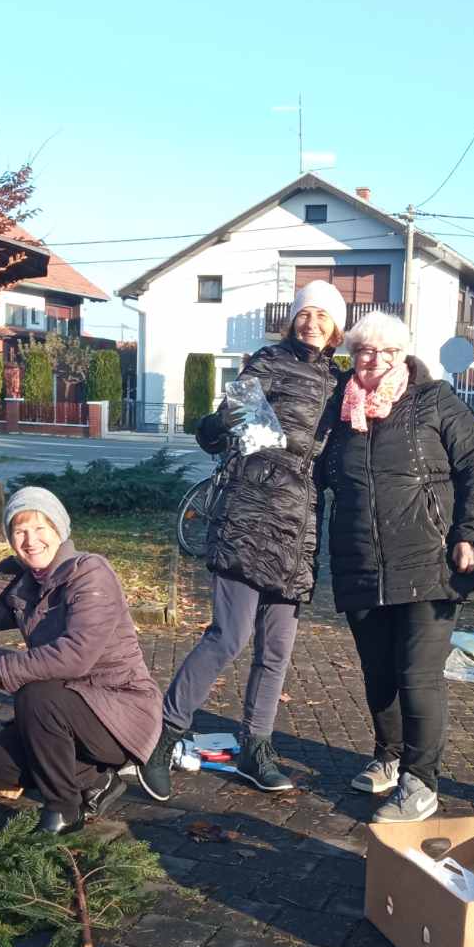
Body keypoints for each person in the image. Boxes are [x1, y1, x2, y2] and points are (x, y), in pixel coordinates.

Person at [136, 281, 345, 801]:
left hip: (301, 529)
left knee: (276, 649)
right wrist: (223, 424)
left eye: (323, 315)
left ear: (337, 326)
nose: (311, 322)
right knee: (229, 636)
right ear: (292, 320)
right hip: (251, 516)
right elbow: (225, 431)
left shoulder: (341, 384)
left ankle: (256, 746)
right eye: (304, 313)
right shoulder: (268, 363)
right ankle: (167, 732)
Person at [319, 312, 474, 822]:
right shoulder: (338, 407)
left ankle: (421, 782)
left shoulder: (435, 401)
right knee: (379, 673)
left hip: (429, 560)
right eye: (362, 352)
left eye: (385, 351)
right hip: (358, 560)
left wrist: (472, 534)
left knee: (418, 676)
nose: (373, 361)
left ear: (402, 354)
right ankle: (389, 758)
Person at [0, 487, 161, 833]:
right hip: (67, 705)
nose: (31, 540)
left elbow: (76, 656)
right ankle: (95, 783)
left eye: (40, 529)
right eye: (19, 531)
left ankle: (64, 810)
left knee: (35, 694)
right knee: (0, 759)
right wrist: (10, 564)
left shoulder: (90, 573)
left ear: (59, 530)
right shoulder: (28, 584)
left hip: (119, 709)